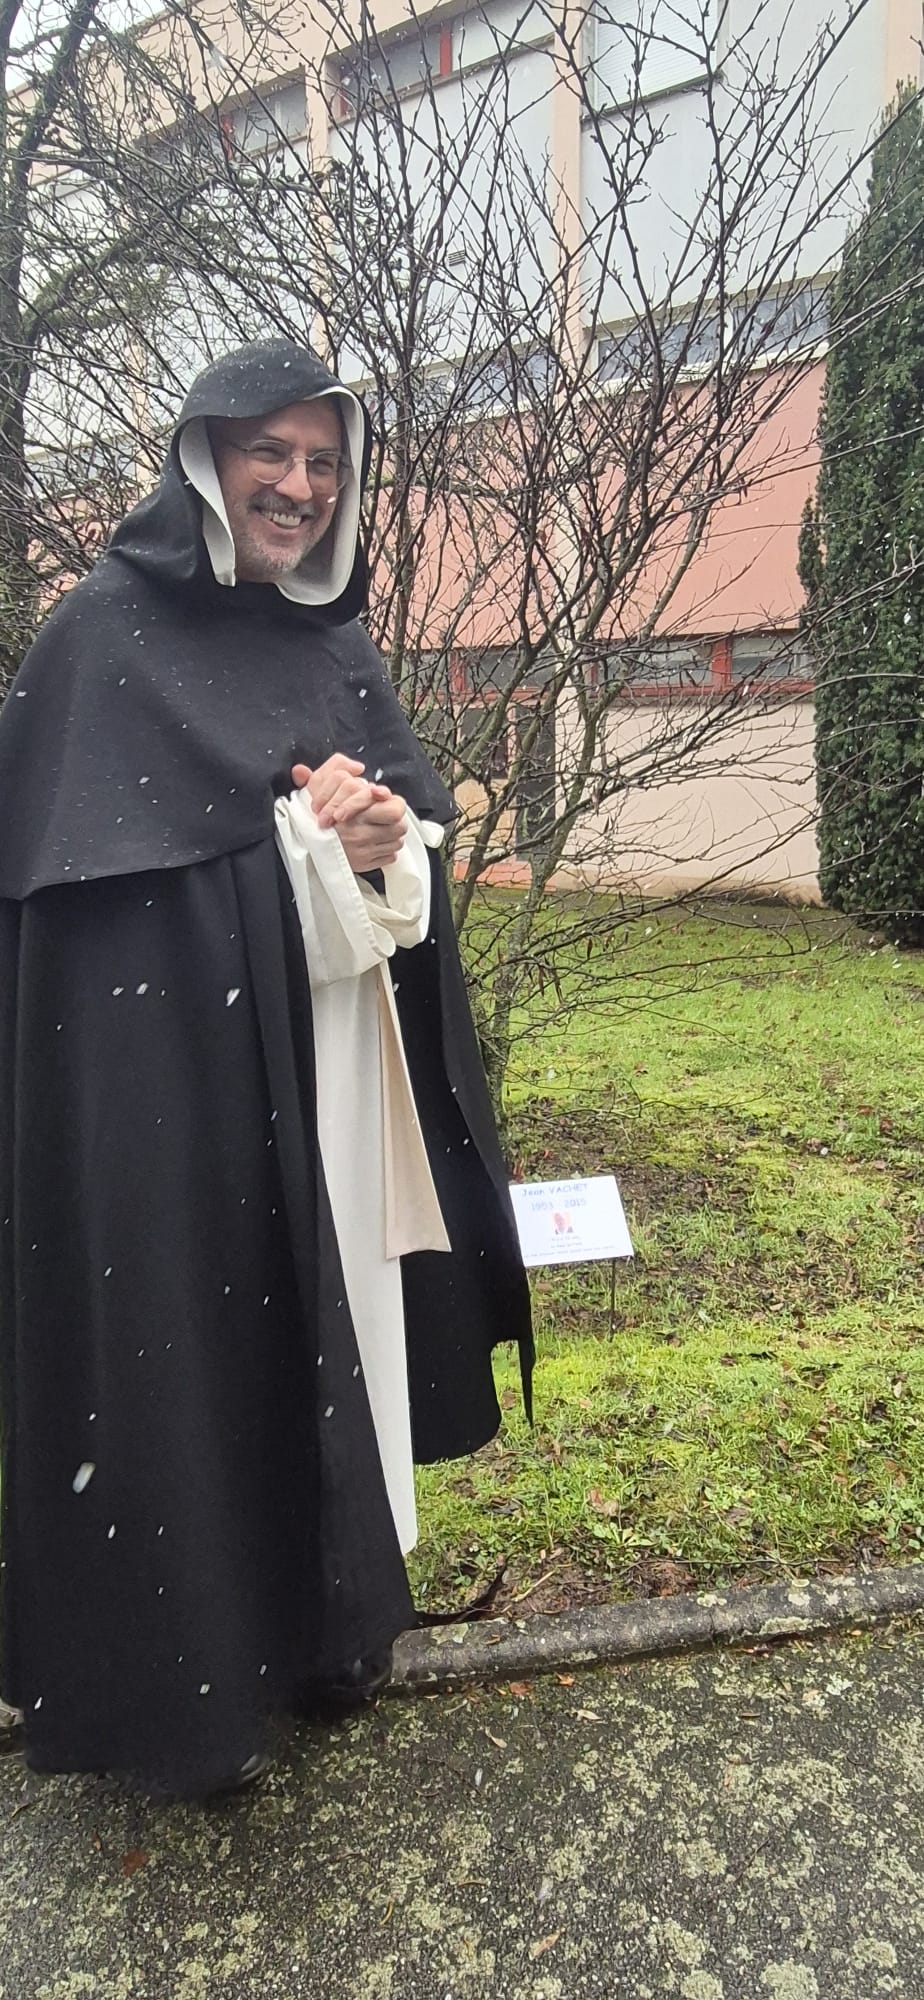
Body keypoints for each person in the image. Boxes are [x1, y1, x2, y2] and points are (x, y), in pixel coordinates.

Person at [0, 338, 533, 1799]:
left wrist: (383, 847)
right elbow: (95, 924)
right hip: (172, 1110)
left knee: (335, 1344)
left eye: (324, 463)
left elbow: (405, 877)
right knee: (185, 1372)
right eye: (271, 455)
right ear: (204, 462)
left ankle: (326, 1630)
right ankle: (190, 1693)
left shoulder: (330, 647)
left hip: (332, 1089)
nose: (299, 487)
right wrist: (296, 845)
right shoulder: (98, 641)